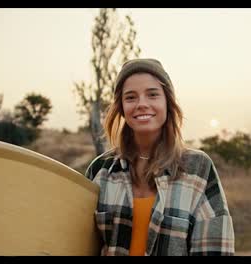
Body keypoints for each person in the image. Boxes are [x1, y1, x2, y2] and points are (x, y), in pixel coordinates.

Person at [85, 58, 234, 256]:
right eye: (130, 97)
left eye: (152, 95)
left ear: (167, 102)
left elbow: (215, 249)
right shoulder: (100, 170)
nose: (142, 104)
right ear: (121, 107)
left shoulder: (198, 169)